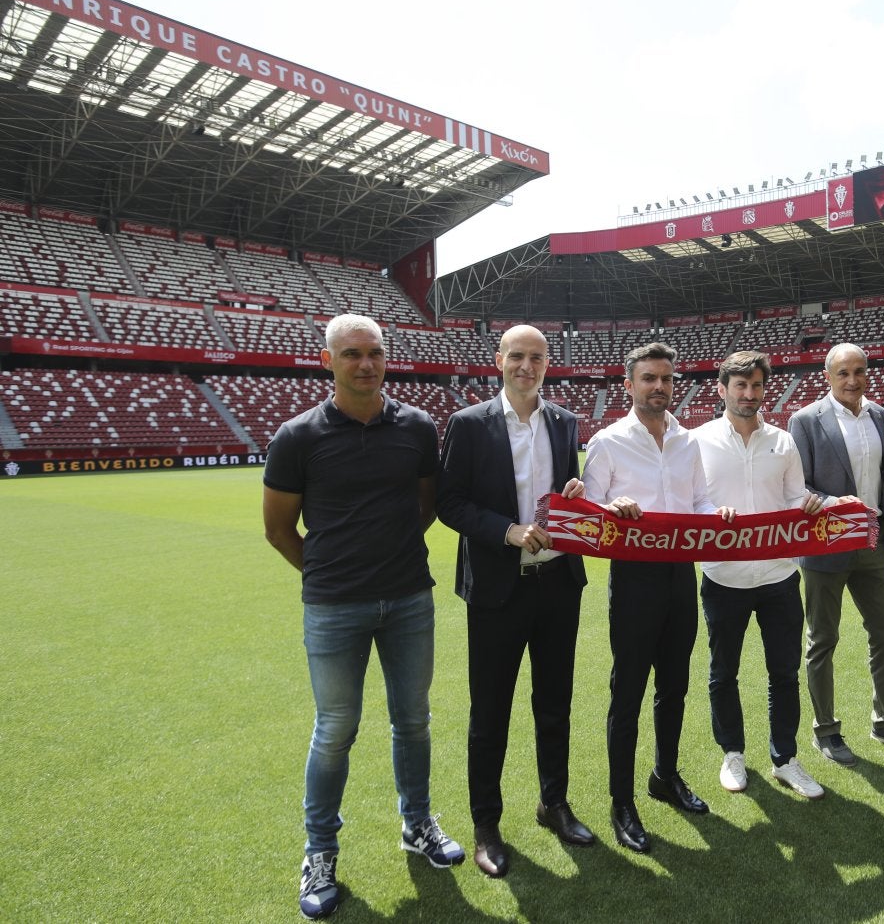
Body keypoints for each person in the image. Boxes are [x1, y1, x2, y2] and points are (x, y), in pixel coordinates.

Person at [262, 313, 464, 921]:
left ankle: (417, 823)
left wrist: (386, 559)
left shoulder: (418, 427)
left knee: (414, 720)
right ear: (329, 360)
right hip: (333, 606)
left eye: (374, 353)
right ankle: (319, 853)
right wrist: (331, 575)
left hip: (408, 599)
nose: (365, 364)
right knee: (335, 730)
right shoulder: (298, 437)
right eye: (351, 354)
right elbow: (278, 530)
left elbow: (428, 505)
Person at [436, 324, 594, 879]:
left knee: (555, 703)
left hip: (557, 586)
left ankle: (554, 803)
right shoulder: (469, 424)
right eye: (518, 356)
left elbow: (566, 496)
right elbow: (448, 503)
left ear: (548, 363)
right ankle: (487, 824)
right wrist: (507, 530)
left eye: (538, 357)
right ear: (499, 360)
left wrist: (575, 496)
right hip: (498, 590)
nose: (527, 366)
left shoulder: (564, 421)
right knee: (491, 712)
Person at [582, 341, 736, 853]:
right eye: (648, 379)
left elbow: (697, 500)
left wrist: (719, 513)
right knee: (627, 693)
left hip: (679, 576)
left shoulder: (686, 441)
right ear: (629, 385)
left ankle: (664, 776)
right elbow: (591, 514)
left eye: (665, 379)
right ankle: (621, 802)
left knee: (674, 686)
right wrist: (611, 507)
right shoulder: (607, 441)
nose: (659, 388)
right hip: (633, 579)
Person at [693, 351, 826, 800]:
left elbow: (794, 497)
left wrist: (808, 502)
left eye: (756, 387)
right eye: (740, 386)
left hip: (779, 577)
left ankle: (785, 758)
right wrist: (713, 514)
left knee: (784, 672)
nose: (748, 395)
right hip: (723, 577)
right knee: (722, 672)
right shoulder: (697, 441)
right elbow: (691, 503)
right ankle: (732, 752)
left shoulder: (783, 441)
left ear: (764, 389)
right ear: (721, 388)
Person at [789, 343, 884, 766]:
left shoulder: (878, 415)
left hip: (872, 543)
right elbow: (797, 486)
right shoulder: (806, 420)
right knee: (822, 639)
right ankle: (825, 730)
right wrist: (835, 503)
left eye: (859, 371)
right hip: (825, 543)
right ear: (827, 377)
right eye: (843, 373)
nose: (852, 380)